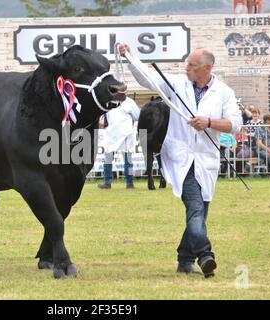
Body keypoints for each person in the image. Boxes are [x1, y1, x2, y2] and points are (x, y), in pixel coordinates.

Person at [118, 43, 242, 278]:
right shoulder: (177, 83)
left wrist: (208, 122)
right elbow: (148, 79)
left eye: (191, 65)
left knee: (201, 212)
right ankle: (206, 255)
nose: (186, 68)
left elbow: (235, 123)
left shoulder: (224, 92)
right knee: (195, 208)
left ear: (206, 68)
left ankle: (184, 260)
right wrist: (130, 56)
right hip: (180, 158)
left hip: (206, 160)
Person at [97, 97, 140, 189]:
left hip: (122, 134)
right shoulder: (115, 100)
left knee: (124, 159)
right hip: (114, 133)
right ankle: (125, 183)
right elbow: (137, 116)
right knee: (121, 158)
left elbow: (137, 116)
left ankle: (124, 183)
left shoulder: (126, 101)